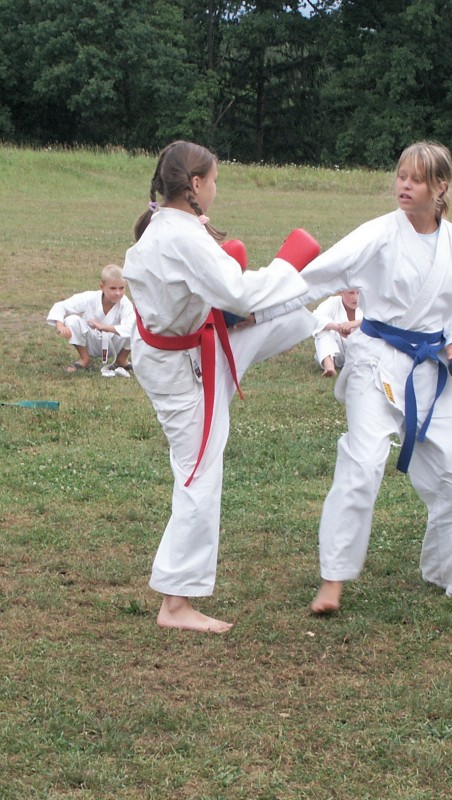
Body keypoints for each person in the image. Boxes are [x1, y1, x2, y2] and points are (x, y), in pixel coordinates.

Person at [257, 141, 452, 613]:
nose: (405, 185)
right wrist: (254, 303)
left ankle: (446, 572)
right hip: (375, 360)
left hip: (433, 367)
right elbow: (320, 274)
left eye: (417, 179)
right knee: (361, 465)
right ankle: (333, 580)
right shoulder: (379, 234)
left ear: (440, 187)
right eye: (401, 176)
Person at [122, 140, 319, 634]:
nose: (216, 188)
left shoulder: (172, 226)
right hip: (178, 364)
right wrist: (288, 265)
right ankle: (175, 604)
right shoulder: (181, 237)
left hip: (185, 348)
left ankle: (319, 312)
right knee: (199, 473)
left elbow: (223, 295)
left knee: (290, 313)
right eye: (213, 180)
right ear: (195, 184)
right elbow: (237, 293)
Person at [47, 264, 135, 375]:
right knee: (72, 320)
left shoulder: (125, 303)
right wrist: (60, 325)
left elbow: (131, 327)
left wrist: (104, 327)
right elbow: (61, 306)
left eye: (121, 288)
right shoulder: (90, 297)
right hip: (92, 341)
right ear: (102, 287)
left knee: (137, 324)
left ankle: (122, 360)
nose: (118, 293)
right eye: (113, 288)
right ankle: (85, 359)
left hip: (115, 343)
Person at [313, 289, 363, 376]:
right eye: (351, 293)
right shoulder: (333, 303)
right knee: (323, 329)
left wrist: (355, 323)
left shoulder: (367, 304)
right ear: (341, 291)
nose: (356, 298)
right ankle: (329, 367)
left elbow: (378, 320)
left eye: (358, 293)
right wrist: (337, 328)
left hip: (360, 353)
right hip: (336, 353)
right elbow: (315, 318)